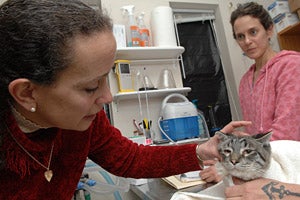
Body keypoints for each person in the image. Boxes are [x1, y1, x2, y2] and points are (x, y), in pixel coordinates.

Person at [0, 0, 251, 199]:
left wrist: (201, 151)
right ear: (27, 93)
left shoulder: (85, 121)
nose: (107, 97)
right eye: (90, 87)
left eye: (106, 77)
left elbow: (130, 159)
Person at [200, 0, 300, 187]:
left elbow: (287, 134)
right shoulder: (246, 81)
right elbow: (252, 134)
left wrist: (227, 168)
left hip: (290, 170)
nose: (247, 41)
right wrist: (228, 155)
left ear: (269, 30)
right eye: (240, 36)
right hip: (259, 169)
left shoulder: (291, 66)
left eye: (253, 32)